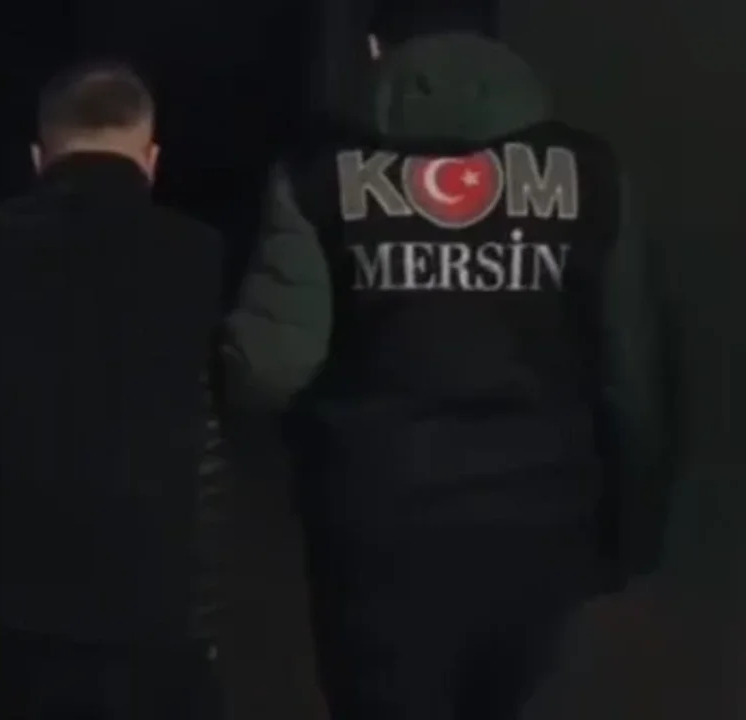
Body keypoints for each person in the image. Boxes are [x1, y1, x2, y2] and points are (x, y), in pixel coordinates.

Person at [223, 2, 676, 718]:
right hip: (542, 522)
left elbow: (271, 370)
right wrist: (636, 528)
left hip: (378, 526)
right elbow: (633, 375)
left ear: (379, 49)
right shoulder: (593, 175)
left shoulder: (318, 176)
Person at [0, 60, 228, 720]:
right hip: (154, 589)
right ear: (151, 159)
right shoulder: (199, 251)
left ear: (38, 158)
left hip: (14, 592)